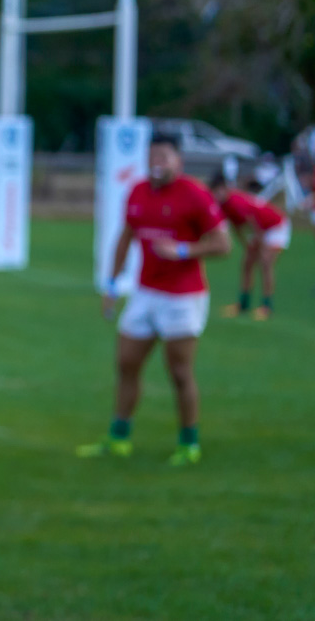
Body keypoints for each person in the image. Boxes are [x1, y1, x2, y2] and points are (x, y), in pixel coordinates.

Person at [78, 132, 230, 466]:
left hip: (183, 297)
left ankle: (189, 443)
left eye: (163, 156)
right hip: (145, 293)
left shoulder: (194, 194)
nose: (156, 163)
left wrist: (184, 250)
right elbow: (126, 237)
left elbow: (223, 244)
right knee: (126, 363)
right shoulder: (138, 192)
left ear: (179, 160)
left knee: (179, 372)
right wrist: (112, 284)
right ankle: (119, 438)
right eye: (152, 157)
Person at [210, 171, 288, 320]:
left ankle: (267, 306)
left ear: (224, 189)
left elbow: (254, 223)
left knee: (266, 263)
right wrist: (246, 245)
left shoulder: (235, 201)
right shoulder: (223, 205)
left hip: (275, 226)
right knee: (247, 263)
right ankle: (243, 304)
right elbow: (237, 227)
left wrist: (262, 246)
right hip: (260, 230)